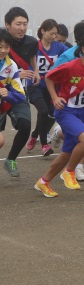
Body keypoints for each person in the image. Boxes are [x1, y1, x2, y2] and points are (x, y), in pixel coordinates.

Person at [34, 33, 84, 197]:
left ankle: (43, 182)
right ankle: (69, 172)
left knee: (66, 154)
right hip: (66, 111)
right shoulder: (70, 67)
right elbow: (49, 77)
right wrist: (55, 98)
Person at [50, 19, 84, 181]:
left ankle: (78, 167)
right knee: (82, 137)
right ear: (81, 43)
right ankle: (58, 132)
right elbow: (51, 77)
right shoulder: (66, 57)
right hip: (69, 104)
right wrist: (57, 97)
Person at [3, 7, 38, 178]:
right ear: (7, 25)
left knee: (25, 125)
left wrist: (36, 71)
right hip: (2, 93)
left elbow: (32, 58)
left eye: (25, 24)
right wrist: (17, 73)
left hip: (18, 93)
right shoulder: (2, 41)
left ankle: (11, 160)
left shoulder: (32, 42)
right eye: (18, 24)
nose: (22, 28)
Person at [25, 19, 68, 156]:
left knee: (51, 114)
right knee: (43, 111)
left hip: (51, 87)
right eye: (51, 33)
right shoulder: (33, 46)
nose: (54, 37)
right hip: (35, 85)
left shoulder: (59, 47)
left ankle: (35, 134)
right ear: (43, 31)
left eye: (56, 34)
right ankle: (44, 144)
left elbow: (72, 53)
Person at [0, 31, 27, 177]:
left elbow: (20, 94)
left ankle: (11, 160)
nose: (3, 50)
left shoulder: (11, 66)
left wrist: (8, 94)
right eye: (0, 46)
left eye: (7, 47)